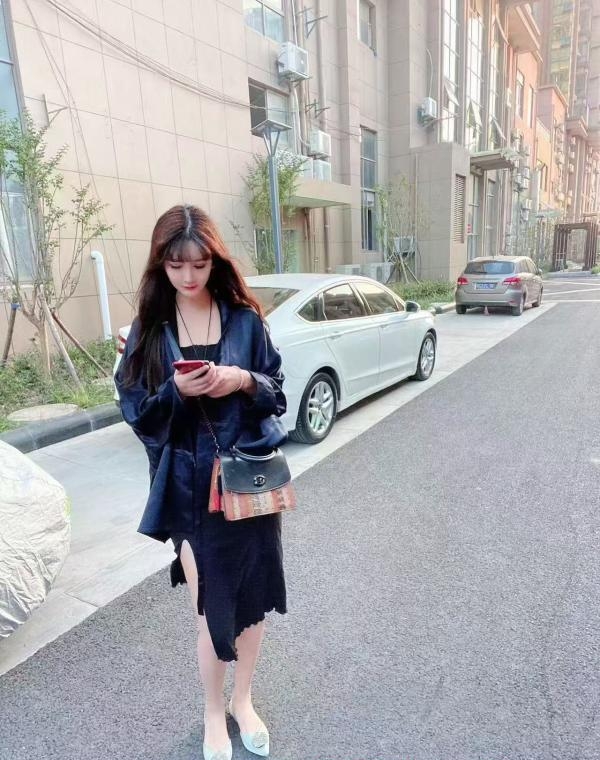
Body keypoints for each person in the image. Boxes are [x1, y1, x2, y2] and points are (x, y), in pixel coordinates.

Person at [115, 205, 288, 760]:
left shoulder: (244, 321)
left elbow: (277, 392)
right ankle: (214, 711)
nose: (188, 276)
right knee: (213, 605)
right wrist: (176, 393)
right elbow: (138, 415)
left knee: (253, 601)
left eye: (199, 263)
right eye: (176, 265)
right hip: (190, 493)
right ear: (160, 265)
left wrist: (242, 379)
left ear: (215, 260)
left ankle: (243, 700)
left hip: (248, 481)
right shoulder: (150, 331)